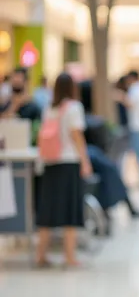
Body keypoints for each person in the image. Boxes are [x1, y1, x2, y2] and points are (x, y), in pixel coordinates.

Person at [36, 72, 92, 268]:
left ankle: (40, 255)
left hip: (50, 163)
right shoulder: (74, 107)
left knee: (48, 210)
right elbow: (76, 136)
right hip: (69, 163)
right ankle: (70, 257)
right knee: (70, 210)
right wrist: (85, 162)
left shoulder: (49, 107)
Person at [123, 70, 139, 186]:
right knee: (138, 151)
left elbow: (131, 103)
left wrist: (121, 97)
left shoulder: (135, 89)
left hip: (135, 124)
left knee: (137, 152)